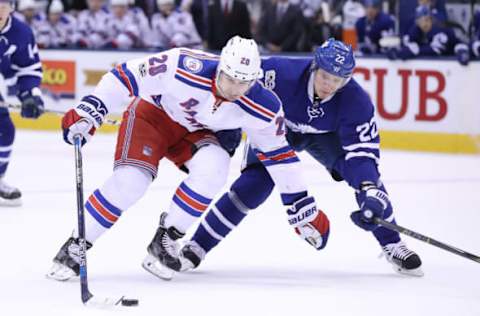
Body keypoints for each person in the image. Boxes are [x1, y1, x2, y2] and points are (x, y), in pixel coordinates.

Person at [46, 36, 329, 281]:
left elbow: (279, 155)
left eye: (244, 83)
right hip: (152, 118)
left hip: (195, 132)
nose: (234, 88)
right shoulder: (182, 64)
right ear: (219, 67)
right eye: (230, 78)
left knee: (215, 168)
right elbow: (124, 75)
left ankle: (166, 237)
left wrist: (299, 203)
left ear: (255, 79)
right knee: (131, 182)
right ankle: (76, 244)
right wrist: (92, 109)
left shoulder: (263, 105)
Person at [176, 38, 424, 278]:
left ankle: (393, 244)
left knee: (366, 183)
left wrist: (369, 188)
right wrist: (227, 127)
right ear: (314, 66)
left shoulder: (356, 101)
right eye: (325, 75)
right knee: (254, 185)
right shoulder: (278, 72)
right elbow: (237, 89)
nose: (329, 85)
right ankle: (198, 245)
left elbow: (362, 155)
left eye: (337, 80)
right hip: (276, 130)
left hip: (324, 137)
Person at [0, 0, 44, 206]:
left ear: (12, 7)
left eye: (3, 4)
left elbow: (27, 69)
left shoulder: (21, 33)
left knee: (5, 129)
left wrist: (30, 96)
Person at [387, 5, 469, 65]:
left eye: (427, 19)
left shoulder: (439, 29)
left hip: (455, 52)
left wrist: (417, 50)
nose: (425, 23)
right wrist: (397, 52)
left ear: (431, 19)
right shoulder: (415, 30)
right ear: (417, 22)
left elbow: (437, 50)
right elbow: (407, 44)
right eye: (421, 20)